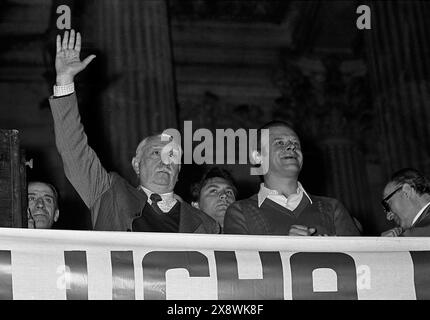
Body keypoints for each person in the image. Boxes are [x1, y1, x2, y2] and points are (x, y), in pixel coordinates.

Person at [48, 30, 219, 233]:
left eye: (172, 156)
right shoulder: (108, 193)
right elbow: (73, 151)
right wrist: (65, 80)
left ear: (179, 169)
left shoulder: (207, 226)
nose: (165, 161)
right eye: (156, 153)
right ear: (136, 164)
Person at [223, 120, 360, 236]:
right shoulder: (240, 211)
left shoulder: (332, 208)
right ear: (257, 156)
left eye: (296, 144)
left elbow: (361, 262)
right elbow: (240, 264)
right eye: (280, 143)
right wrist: (288, 248)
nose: (291, 146)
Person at [381, 168, 430, 237]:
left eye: (387, 205)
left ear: (406, 192)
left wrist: (389, 244)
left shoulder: (415, 235)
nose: (389, 217)